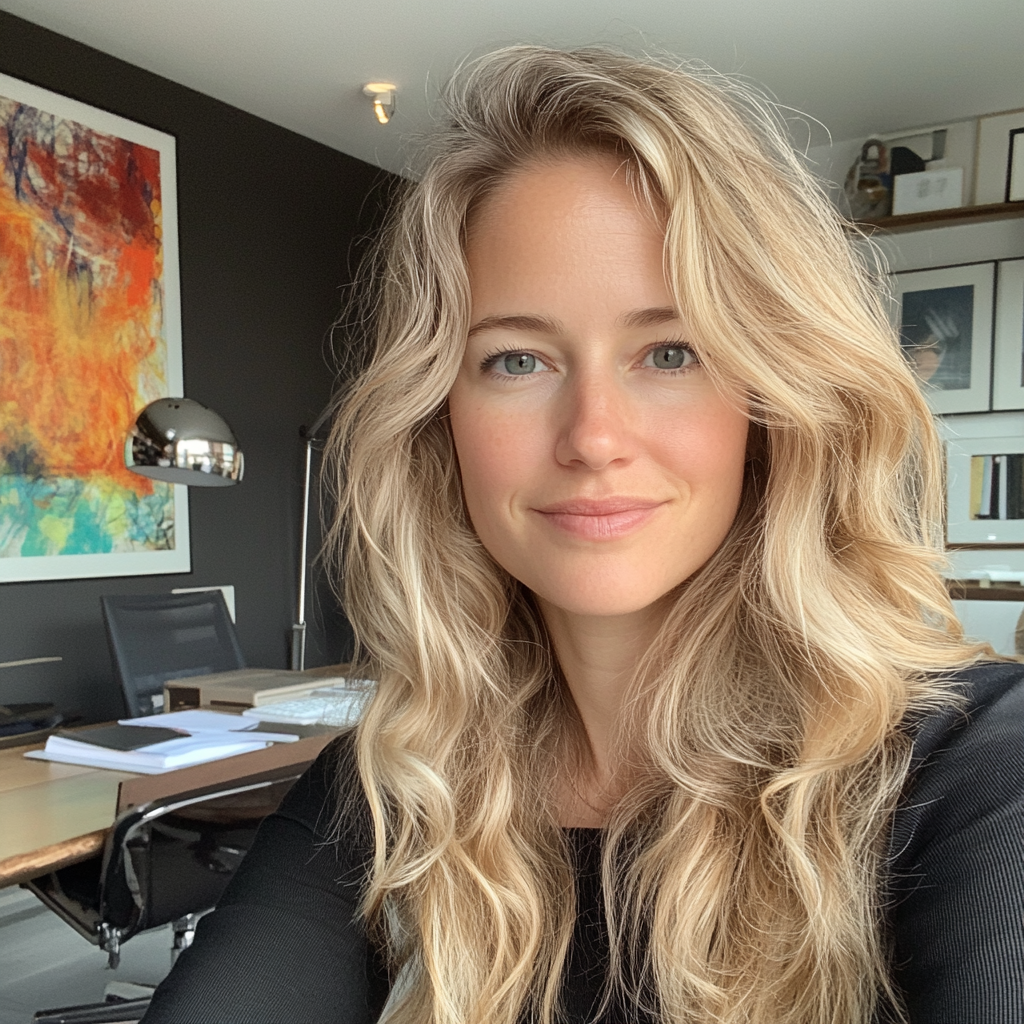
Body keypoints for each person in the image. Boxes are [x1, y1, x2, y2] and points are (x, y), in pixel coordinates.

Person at [142, 46, 1024, 1024]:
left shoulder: (974, 763)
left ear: (770, 403)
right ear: (440, 421)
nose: (593, 436)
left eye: (671, 351)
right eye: (515, 358)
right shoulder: (391, 783)